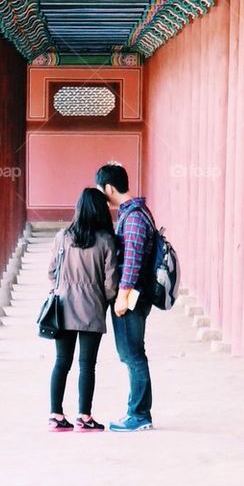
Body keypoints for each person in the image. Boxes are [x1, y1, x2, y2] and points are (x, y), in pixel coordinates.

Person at [46, 187, 119, 432]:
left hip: (63, 307)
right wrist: (104, 298)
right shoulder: (106, 240)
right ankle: (84, 417)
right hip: (92, 307)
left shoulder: (62, 237)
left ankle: (55, 415)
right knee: (87, 364)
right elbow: (111, 283)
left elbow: (51, 272)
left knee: (61, 362)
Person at [95, 162, 156, 432]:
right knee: (132, 353)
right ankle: (138, 412)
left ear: (109, 188)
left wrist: (122, 296)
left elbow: (130, 262)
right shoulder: (136, 212)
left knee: (133, 354)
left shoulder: (132, 218)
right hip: (136, 295)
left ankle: (139, 414)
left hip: (132, 297)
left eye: (100, 189)